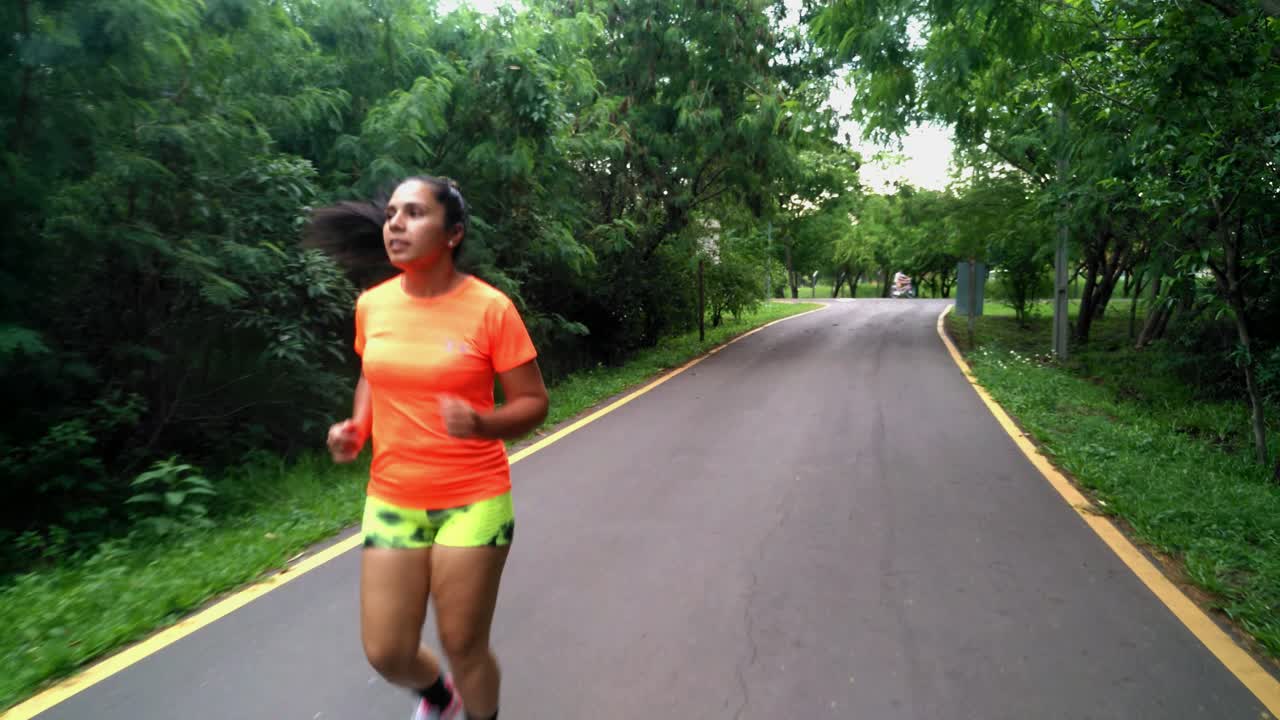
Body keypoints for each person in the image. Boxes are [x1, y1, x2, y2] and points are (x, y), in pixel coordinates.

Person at [305, 175, 549, 720]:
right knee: (386, 651)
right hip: (392, 499)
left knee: (463, 644)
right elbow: (373, 375)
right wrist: (358, 427)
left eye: (414, 213)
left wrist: (482, 422)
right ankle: (440, 697)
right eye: (392, 213)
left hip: (474, 500)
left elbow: (534, 403)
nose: (395, 223)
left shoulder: (490, 309)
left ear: (452, 234)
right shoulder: (372, 305)